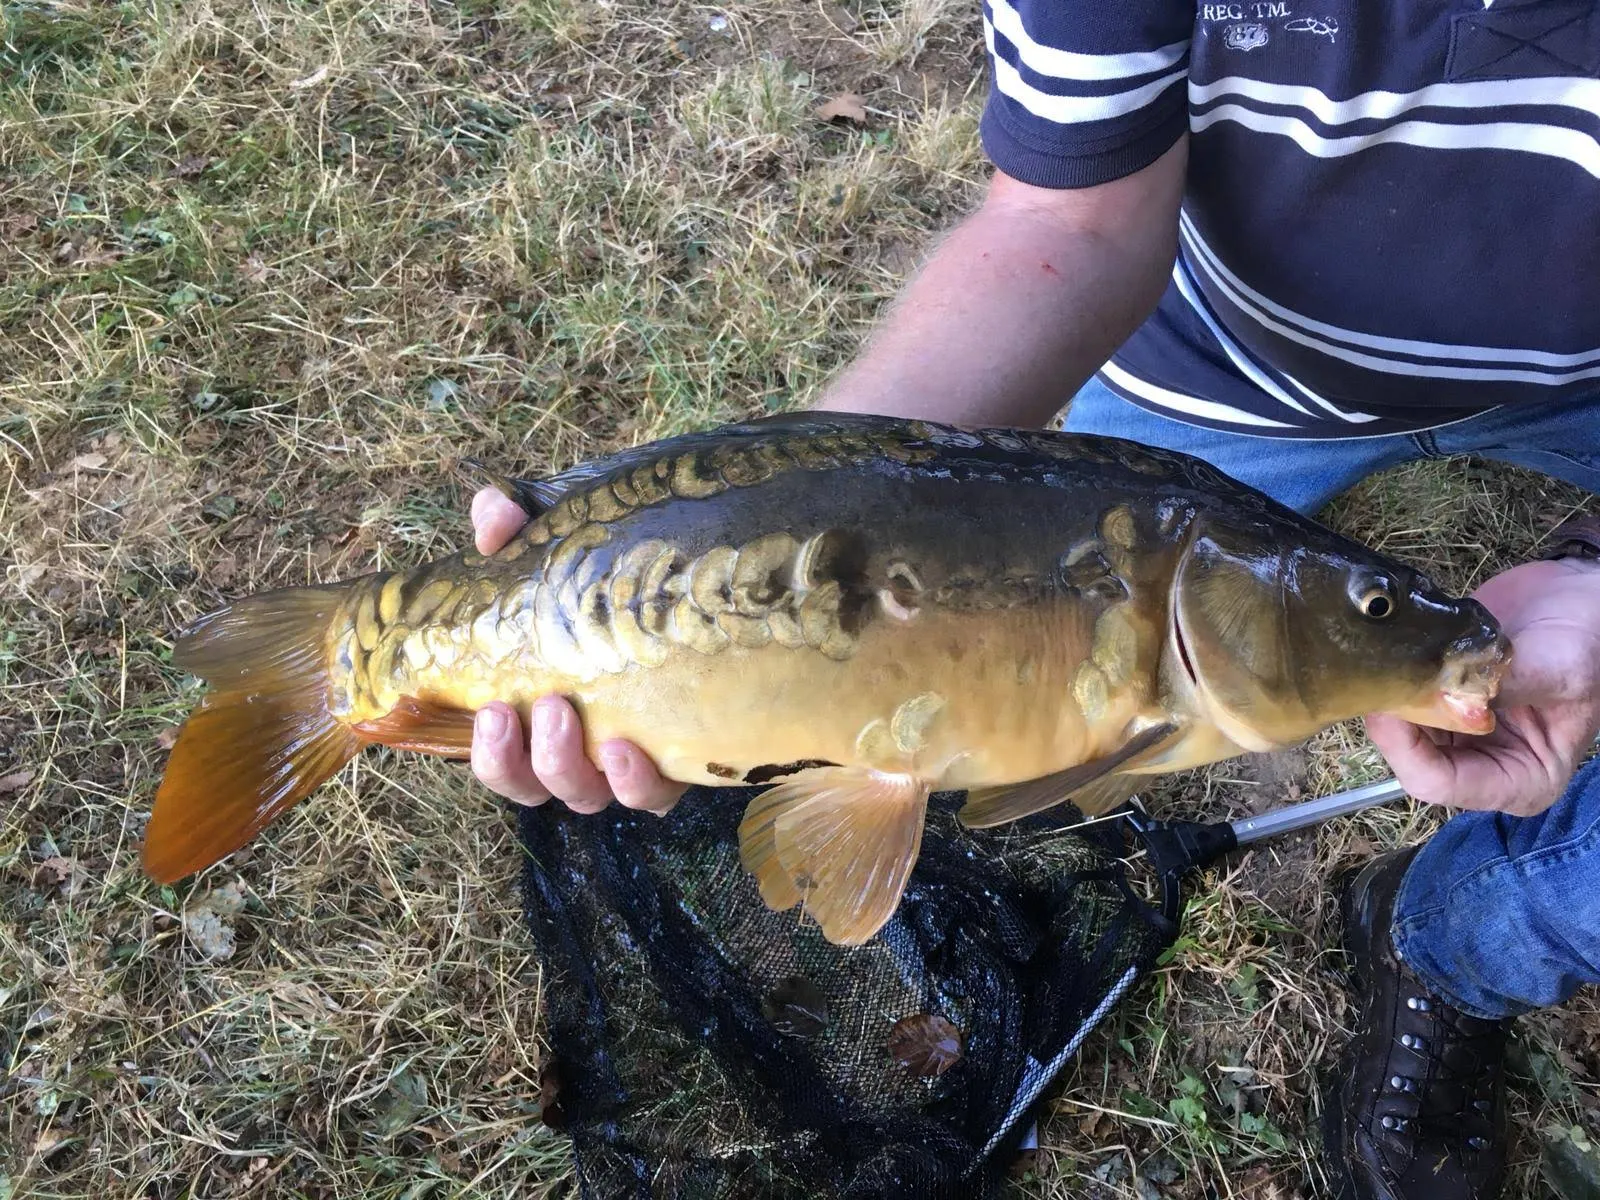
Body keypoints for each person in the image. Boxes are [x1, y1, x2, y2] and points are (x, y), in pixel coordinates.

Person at [466, 2, 1600, 1196]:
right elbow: (1069, 216)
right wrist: (805, 491)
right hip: (1223, 378)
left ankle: (1462, 941)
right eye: (1377, 611)